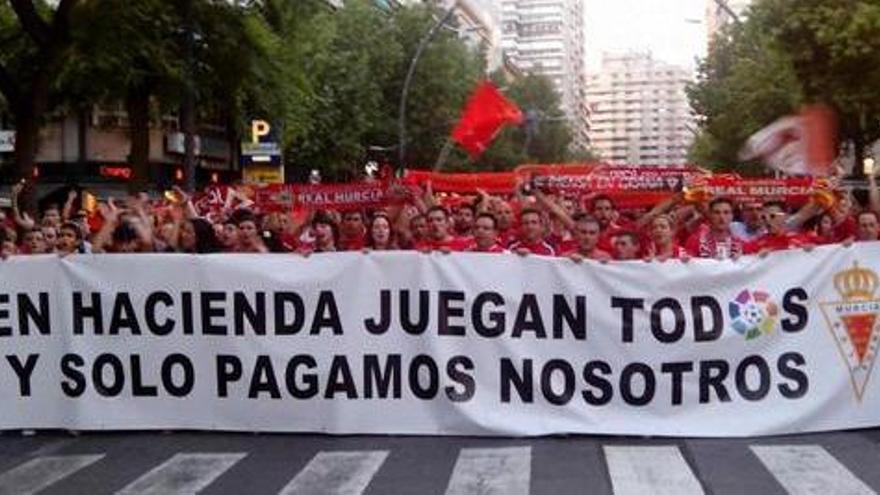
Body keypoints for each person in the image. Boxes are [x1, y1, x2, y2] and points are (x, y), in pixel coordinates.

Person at [745, 201, 812, 255]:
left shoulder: (806, 239)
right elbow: (739, 258)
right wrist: (756, 257)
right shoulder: (757, 244)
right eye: (763, 217)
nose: (767, 220)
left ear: (785, 216)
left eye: (772, 216)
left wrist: (814, 251)